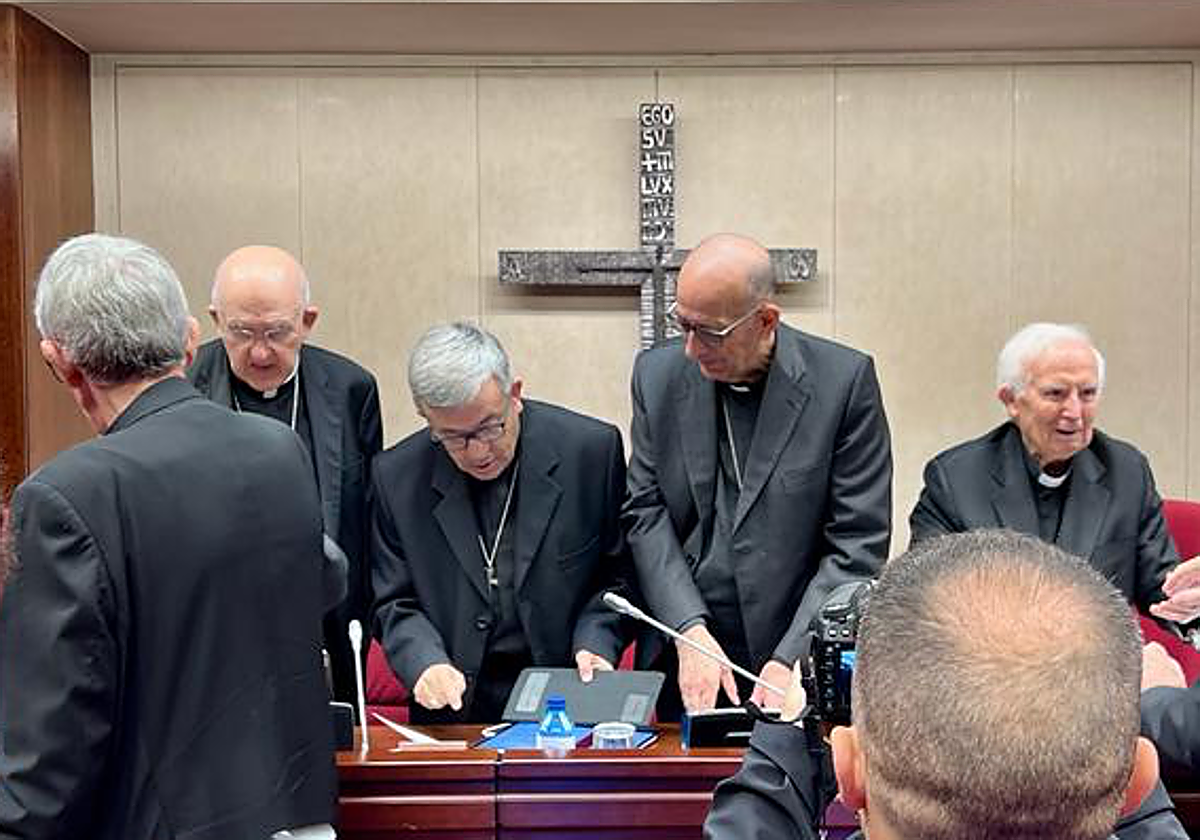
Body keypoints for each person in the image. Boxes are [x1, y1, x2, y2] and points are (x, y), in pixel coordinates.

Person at [0, 234, 337, 840]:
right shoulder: (278, 450)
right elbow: (323, 581)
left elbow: (54, 746)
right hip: (296, 820)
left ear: (60, 361)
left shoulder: (64, 497)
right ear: (187, 339)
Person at [704, 530, 1185, 840]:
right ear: (1138, 777)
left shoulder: (842, 765)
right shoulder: (1141, 776)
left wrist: (781, 749)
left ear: (849, 770)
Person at [624, 232, 892, 715]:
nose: (689, 348)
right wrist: (687, 629)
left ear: (766, 320)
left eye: (708, 332)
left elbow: (856, 543)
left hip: (792, 657)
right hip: (682, 655)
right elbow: (645, 512)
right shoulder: (656, 376)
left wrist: (793, 655)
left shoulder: (842, 384)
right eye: (681, 324)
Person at [370, 323, 631, 722]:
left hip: (568, 695)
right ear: (426, 418)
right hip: (456, 707)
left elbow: (619, 577)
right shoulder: (397, 478)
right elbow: (391, 600)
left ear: (515, 394)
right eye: (453, 437)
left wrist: (597, 641)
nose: (477, 452)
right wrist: (423, 661)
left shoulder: (590, 453)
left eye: (491, 427)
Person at [189, 244, 382, 703]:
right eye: (240, 332)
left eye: (276, 332)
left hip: (325, 618)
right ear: (215, 320)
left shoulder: (352, 389)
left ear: (307, 321)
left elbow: (372, 511)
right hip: (218, 621)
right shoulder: (184, 386)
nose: (259, 352)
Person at [910, 322, 1177, 614]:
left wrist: (1191, 606)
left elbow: (1164, 590)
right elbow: (925, 598)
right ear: (1010, 400)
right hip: (997, 654)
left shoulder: (1127, 471)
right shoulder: (956, 480)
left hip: (1099, 656)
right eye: (1056, 394)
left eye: (1087, 393)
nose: (1075, 412)